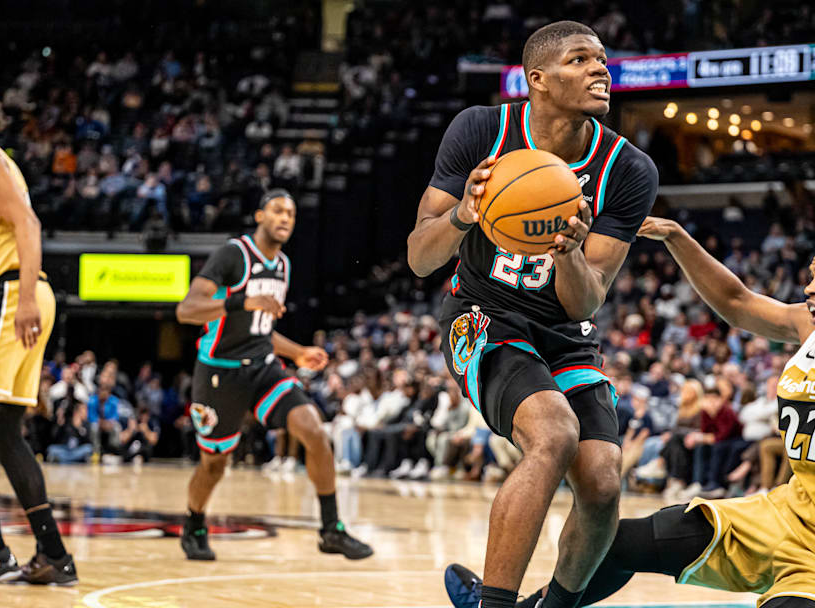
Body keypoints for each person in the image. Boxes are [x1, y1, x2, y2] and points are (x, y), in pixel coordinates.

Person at [467, 223, 815, 608]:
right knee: (611, 542)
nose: (810, 288)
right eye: (810, 276)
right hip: (783, 517)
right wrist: (676, 237)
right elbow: (735, 300)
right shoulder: (808, 329)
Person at [406, 21, 657, 608]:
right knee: (554, 433)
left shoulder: (628, 169)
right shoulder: (480, 129)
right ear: (537, 79)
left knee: (601, 481)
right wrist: (465, 215)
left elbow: (586, 299)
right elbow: (420, 258)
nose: (601, 69)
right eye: (580, 60)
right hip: (482, 315)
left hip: (566, 333)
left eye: (602, 59)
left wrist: (569, 252)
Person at [175, 189, 371, 561]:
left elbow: (260, 330)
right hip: (219, 373)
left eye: (292, 214)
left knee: (313, 428)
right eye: (278, 211)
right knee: (214, 464)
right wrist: (239, 301)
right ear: (260, 215)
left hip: (263, 367)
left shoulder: (283, 264)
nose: (285, 219)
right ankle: (194, 522)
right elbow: (187, 310)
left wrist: (298, 352)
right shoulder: (233, 255)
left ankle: (332, 529)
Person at [0, 71, 74, 587]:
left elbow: (28, 223)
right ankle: (53, 553)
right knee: (4, 432)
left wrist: (23, 297)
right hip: (13, 294)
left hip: (12, 295)